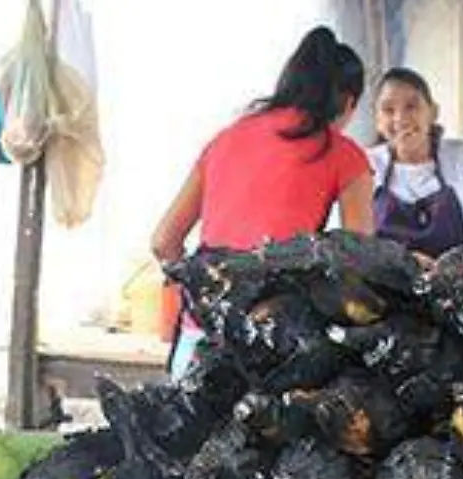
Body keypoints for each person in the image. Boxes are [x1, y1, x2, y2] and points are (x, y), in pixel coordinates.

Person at [151, 27, 375, 376]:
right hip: (274, 343)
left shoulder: (226, 138)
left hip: (200, 337)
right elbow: (361, 260)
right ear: (348, 103)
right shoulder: (344, 154)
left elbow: (164, 241)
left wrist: (201, 295)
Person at [368, 67, 463, 258]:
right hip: (383, 286)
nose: (400, 119)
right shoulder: (365, 166)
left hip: (457, 285)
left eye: (411, 106)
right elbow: (357, 247)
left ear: (433, 112)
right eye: (388, 110)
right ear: (377, 120)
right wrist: (405, 264)